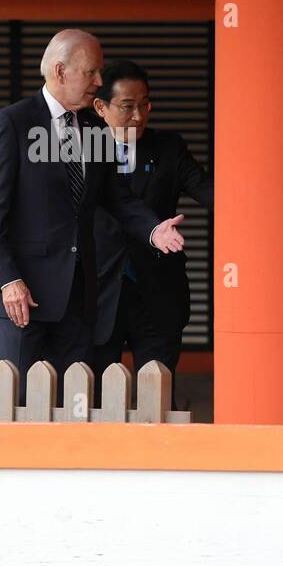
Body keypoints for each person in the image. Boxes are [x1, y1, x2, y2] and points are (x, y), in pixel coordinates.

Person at [0, 30, 186, 401]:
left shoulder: (93, 127)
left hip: (78, 298)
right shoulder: (12, 124)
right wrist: (8, 281)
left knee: (75, 404)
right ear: (60, 71)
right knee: (20, 403)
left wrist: (153, 230)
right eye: (92, 73)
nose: (100, 82)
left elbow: (118, 198)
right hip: (22, 299)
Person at [91, 60, 212, 406]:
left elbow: (207, 190)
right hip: (99, 290)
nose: (138, 115)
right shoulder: (80, 149)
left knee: (157, 393)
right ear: (101, 106)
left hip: (158, 289)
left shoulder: (168, 147)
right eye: (127, 106)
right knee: (98, 394)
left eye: (144, 104)